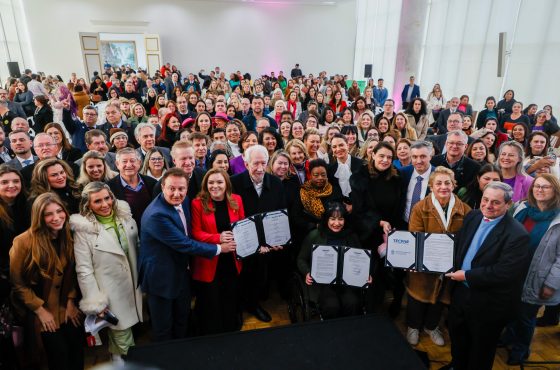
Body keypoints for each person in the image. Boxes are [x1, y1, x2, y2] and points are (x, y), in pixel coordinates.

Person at [139, 168, 234, 341]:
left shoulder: (184, 201)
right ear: (162, 187)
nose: (177, 193)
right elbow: (184, 244)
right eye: (172, 188)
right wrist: (220, 248)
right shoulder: (156, 215)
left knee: (182, 318)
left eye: (181, 188)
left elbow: (191, 232)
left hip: (181, 272)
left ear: (187, 187)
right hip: (160, 278)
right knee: (163, 327)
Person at [445, 182, 530, 370]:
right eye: (485, 199)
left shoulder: (517, 234)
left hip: (489, 302)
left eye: (496, 202)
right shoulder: (473, 216)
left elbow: (504, 272)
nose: (488, 205)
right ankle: (457, 366)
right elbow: (458, 243)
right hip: (460, 294)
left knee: (481, 349)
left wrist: (467, 276)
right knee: (458, 338)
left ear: (508, 205)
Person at [71, 182, 143, 363]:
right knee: (122, 336)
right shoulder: (83, 231)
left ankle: (119, 361)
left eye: (107, 198)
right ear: (88, 205)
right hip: (110, 293)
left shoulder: (127, 219)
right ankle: (124, 363)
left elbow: (138, 249)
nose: (104, 204)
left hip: (134, 288)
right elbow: (84, 270)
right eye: (97, 201)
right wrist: (96, 301)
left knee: (128, 333)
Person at [10, 192, 83, 370]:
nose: (56, 218)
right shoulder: (23, 242)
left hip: (67, 309)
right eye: (48, 214)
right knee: (58, 359)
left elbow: (73, 273)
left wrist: (71, 301)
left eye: (59, 211)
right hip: (41, 312)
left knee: (77, 356)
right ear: (39, 217)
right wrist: (40, 310)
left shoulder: (68, 235)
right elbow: (18, 283)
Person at [405, 166, 471, 346]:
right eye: (438, 183)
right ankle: (413, 326)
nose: (443, 187)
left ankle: (431, 326)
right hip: (424, 263)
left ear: (454, 185)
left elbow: (466, 238)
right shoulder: (420, 208)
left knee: (441, 298)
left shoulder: (464, 209)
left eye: (447, 183)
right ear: (431, 186)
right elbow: (415, 236)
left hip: (449, 264)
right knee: (417, 297)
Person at [504, 174, 560, 365]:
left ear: (555, 191)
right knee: (511, 309)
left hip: (537, 276)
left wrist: (551, 284)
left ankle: (521, 349)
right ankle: (509, 337)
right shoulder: (523, 208)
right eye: (537, 186)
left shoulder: (558, 219)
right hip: (513, 272)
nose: (540, 190)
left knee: (526, 316)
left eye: (546, 187)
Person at [230, 145, 287, 322]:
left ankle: (253, 305)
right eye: (255, 164)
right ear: (246, 164)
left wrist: (278, 240)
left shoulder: (276, 183)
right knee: (239, 276)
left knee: (260, 276)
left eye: (264, 163)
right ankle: (237, 307)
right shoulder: (234, 183)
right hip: (241, 241)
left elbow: (280, 213)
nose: (260, 168)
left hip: (267, 242)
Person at [350, 142, 403, 310]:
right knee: (367, 272)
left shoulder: (396, 177)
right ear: (372, 155)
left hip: (389, 233)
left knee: (382, 274)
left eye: (389, 157)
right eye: (381, 156)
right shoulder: (360, 176)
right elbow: (359, 208)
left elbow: (399, 206)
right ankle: (363, 307)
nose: (385, 160)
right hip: (367, 231)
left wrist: (392, 228)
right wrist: (378, 222)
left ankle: (377, 308)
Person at [191, 169, 244, 335]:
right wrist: (218, 237)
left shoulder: (237, 200)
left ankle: (230, 327)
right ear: (206, 185)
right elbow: (196, 233)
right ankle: (213, 331)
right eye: (211, 183)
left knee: (230, 295)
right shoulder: (197, 203)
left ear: (226, 184)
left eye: (219, 182)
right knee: (211, 299)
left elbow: (243, 227)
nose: (215, 186)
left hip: (232, 258)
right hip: (209, 260)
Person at [297, 202, 367, 319]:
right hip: (323, 282)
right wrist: (307, 272)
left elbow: (361, 260)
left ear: (345, 220)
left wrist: (366, 274)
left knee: (353, 303)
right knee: (331, 306)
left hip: (346, 282)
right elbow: (301, 259)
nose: (336, 223)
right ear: (326, 220)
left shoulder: (351, 236)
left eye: (340, 219)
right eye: (332, 219)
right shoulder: (315, 235)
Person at [108, 147, 157, 228]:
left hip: (152, 229)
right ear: (117, 164)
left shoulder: (152, 183)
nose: (129, 165)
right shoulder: (110, 187)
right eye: (124, 161)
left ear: (139, 163)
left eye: (132, 161)